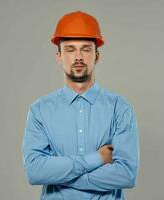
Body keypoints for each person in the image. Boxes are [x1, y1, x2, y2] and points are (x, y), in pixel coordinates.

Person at [22, 10, 140, 200]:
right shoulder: (39, 111)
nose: (78, 57)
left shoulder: (119, 108)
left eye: (86, 49)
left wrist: (60, 175)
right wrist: (98, 159)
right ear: (59, 56)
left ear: (97, 56)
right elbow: (35, 171)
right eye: (70, 49)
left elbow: (127, 174)